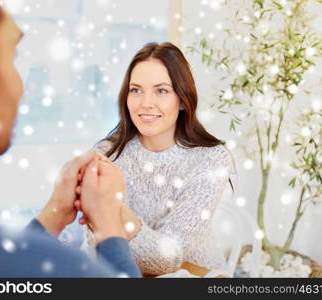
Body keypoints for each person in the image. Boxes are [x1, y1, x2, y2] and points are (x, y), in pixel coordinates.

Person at [0, 0, 140, 278]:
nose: (21, 86)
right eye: (12, 57)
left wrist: (52, 215)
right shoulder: (68, 271)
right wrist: (109, 227)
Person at [82, 42, 236, 276]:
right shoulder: (106, 153)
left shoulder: (211, 159)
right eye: (136, 90)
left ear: (183, 100)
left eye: (161, 90)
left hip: (194, 274)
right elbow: (99, 252)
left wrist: (116, 212)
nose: (145, 103)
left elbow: (168, 260)